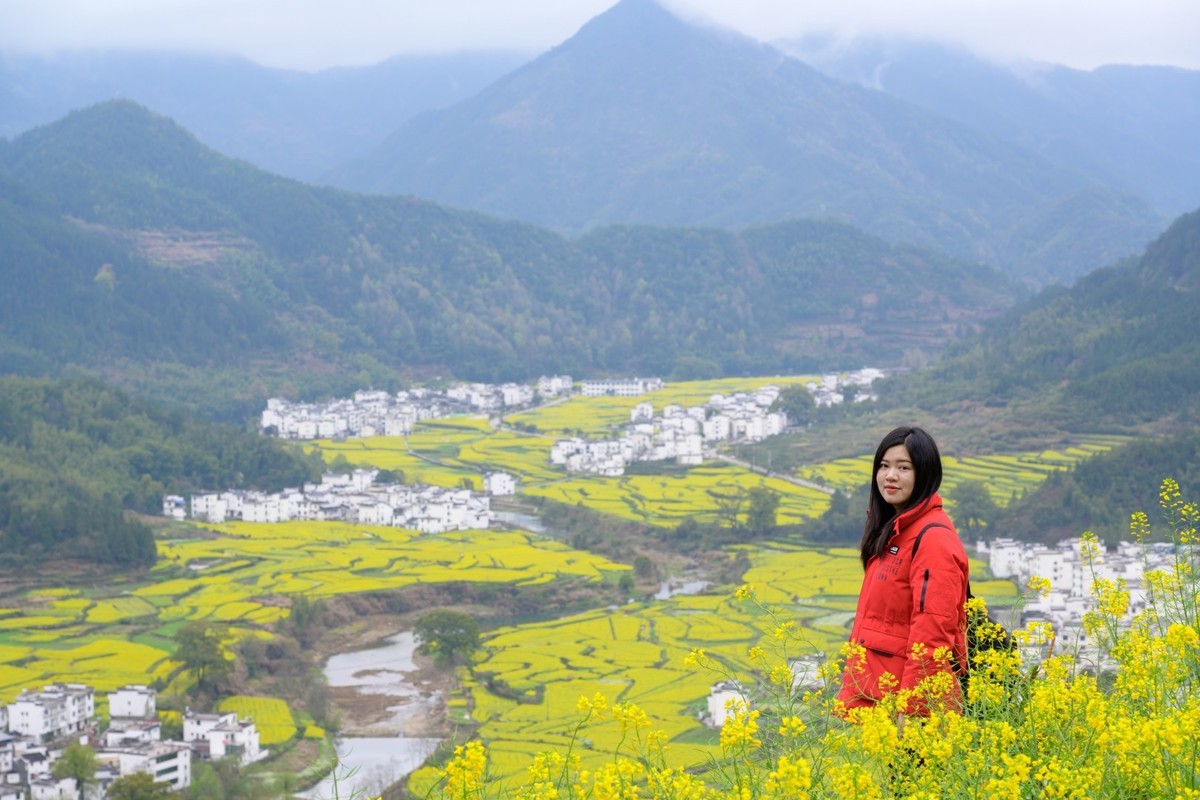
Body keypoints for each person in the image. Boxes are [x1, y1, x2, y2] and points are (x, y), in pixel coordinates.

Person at [837, 425, 969, 719]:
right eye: (883, 466)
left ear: (925, 474)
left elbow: (933, 631)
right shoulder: (894, 531)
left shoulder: (932, 539)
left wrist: (911, 711)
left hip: (907, 712)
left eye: (903, 467)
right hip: (879, 700)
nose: (890, 476)